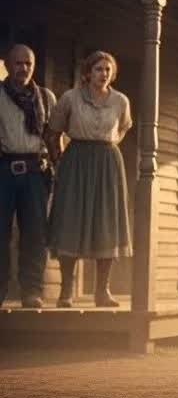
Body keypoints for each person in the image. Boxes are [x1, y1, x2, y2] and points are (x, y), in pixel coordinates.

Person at [47, 51, 133, 308]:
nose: (103, 74)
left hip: (107, 164)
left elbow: (124, 127)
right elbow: (53, 132)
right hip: (76, 162)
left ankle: (102, 292)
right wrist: (60, 161)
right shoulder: (70, 98)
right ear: (88, 72)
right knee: (71, 222)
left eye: (108, 69)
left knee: (105, 223)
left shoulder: (120, 101)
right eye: (98, 69)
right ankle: (66, 292)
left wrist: (111, 146)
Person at [0, 44, 58, 308]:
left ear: (34, 66)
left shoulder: (46, 98)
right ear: (8, 65)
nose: (23, 68)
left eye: (28, 64)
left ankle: (31, 291)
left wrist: (57, 168)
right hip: (4, 170)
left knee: (35, 233)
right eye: (18, 63)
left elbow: (54, 138)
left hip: (35, 172)